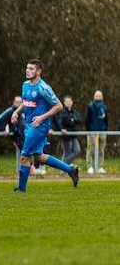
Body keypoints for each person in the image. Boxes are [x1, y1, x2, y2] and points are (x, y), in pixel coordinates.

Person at [10, 60, 80, 192]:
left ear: (38, 71)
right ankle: (70, 169)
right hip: (29, 125)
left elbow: (58, 105)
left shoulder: (44, 88)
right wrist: (16, 112)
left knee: (24, 156)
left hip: (39, 127)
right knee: (39, 156)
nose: (27, 71)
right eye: (27, 68)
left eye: (31, 68)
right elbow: (26, 102)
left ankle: (21, 189)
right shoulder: (25, 85)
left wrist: (42, 118)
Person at [85, 90, 107, 173]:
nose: (98, 97)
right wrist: (89, 130)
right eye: (96, 96)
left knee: (101, 150)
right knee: (90, 149)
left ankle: (100, 166)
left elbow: (106, 119)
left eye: (99, 96)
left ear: (102, 97)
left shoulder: (104, 107)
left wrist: (105, 129)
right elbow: (87, 120)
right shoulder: (90, 106)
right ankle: (90, 166)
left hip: (102, 131)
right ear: (94, 97)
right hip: (92, 131)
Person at [58, 95, 82, 164]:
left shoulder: (74, 112)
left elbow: (79, 120)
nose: (68, 103)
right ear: (64, 103)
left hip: (73, 135)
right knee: (67, 152)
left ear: (72, 102)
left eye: (69, 101)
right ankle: (64, 167)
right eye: (66, 101)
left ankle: (64, 165)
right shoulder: (63, 112)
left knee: (77, 150)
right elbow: (65, 121)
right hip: (66, 136)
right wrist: (73, 121)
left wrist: (73, 120)